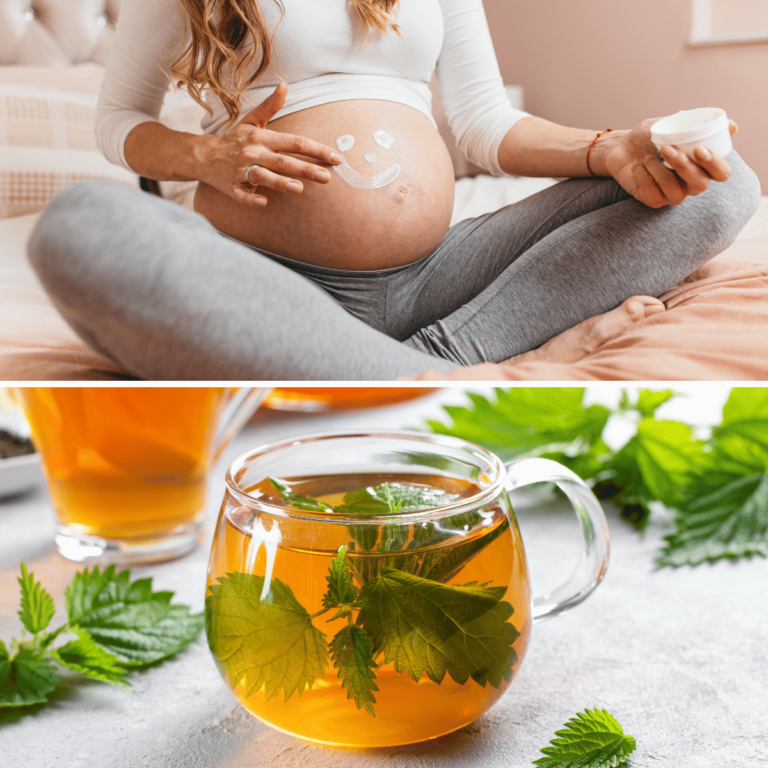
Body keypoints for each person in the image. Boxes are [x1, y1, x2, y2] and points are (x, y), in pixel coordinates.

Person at [28, 0, 761, 380]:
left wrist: (613, 151)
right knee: (79, 224)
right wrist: (206, 154)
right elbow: (119, 119)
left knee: (718, 192)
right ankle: (482, 377)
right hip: (275, 287)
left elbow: (483, 124)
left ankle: (446, 361)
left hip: (438, 276)